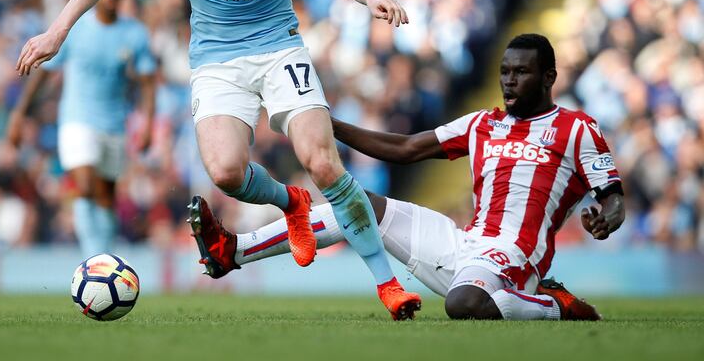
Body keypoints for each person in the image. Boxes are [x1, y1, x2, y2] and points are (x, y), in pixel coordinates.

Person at [15, 0, 419, 319]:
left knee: (323, 163)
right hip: (216, 62)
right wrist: (57, 32)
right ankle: (292, 203)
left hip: (279, 49)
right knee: (226, 173)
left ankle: (388, 284)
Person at [188, 34, 626, 320]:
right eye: (505, 72)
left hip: (513, 258)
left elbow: (613, 196)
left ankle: (554, 304)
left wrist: (608, 216)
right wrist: (324, 122)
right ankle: (232, 251)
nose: (510, 82)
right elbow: (405, 148)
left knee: (464, 304)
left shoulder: (577, 129)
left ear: (548, 77)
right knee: (354, 203)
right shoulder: (482, 124)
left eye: (522, 73)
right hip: (463, 242)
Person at [8, 0, 156, 256]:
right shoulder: (76, 29)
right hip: (77, 119)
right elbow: (45, 72)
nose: (112, 1)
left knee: (105, 196)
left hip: (113, 124)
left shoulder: (134, 34)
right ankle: (94, 259)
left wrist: (147, 123)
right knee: (85, 184)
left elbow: (148, 81)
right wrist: (19, 113)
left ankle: (105, 254)